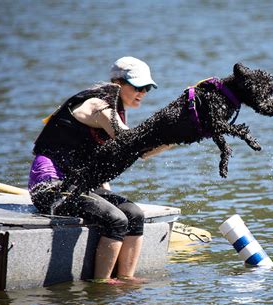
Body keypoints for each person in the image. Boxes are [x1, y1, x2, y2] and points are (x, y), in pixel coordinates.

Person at [28, 56, 170, 284]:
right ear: (117, 83)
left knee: (134, 214)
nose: (142, 92)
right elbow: (129, 142)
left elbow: (140, 153)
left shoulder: (116, 110)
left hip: (78, 184)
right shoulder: (98, 105)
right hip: (50, 187)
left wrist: (177, 139)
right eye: (137, 86)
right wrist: (171, 132)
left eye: (147, 88)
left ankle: (126, 277)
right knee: (116, 219)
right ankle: (102, 285)